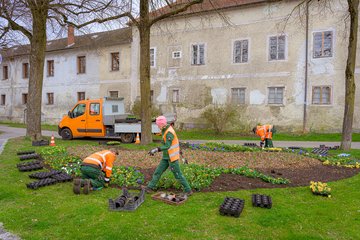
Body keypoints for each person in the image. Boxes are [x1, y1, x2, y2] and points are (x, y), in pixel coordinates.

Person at [145, 115, 193, 196]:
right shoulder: (165, 129)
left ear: (162, 124)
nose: (157, 126)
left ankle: (188, 190)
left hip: (172, 158)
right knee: (158, 172)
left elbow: (167, 145)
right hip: (166, 157)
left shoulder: (169, 132)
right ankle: (149, 187)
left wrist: (156, 149)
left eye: (158, 125)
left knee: (178, 174)